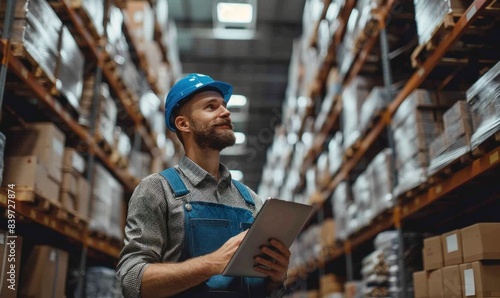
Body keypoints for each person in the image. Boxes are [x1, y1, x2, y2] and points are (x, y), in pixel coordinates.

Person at [117, 73, 290, 298]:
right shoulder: (158, 190)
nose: (225, 112)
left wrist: (276, 280)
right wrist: (212, 263)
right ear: (183, 124)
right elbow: (131, 281)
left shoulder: (252, 201)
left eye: (225, 106)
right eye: (211, 107)